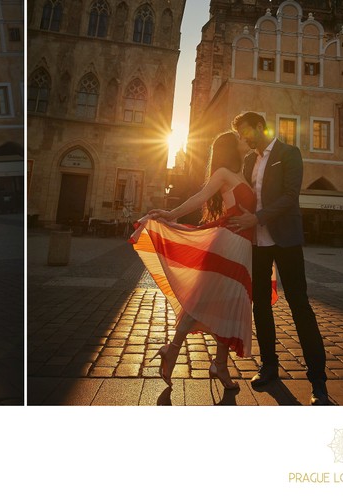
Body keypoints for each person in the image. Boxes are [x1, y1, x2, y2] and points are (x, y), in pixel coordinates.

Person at [130, 131, 257, 391]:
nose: (246, 140)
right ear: (233, 146)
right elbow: (200, 197)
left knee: (230, 304)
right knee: (204, 300)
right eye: (241, 138)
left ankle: (218, 364)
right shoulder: (223, 173)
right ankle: (174, 350)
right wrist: (172, 213)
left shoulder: (243, 174)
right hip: (227, 244)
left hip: (242, 248)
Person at [229, 111, 330, 406]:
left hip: (285, 239)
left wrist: (257, 217)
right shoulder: (249, 161)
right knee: (260, 305)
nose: (243, 138)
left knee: (300, 305)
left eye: (246, 132)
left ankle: (318, 382)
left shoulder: (288, 153)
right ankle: (269, 367)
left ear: (260, 127)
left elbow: (289, 196)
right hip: (258, 243)